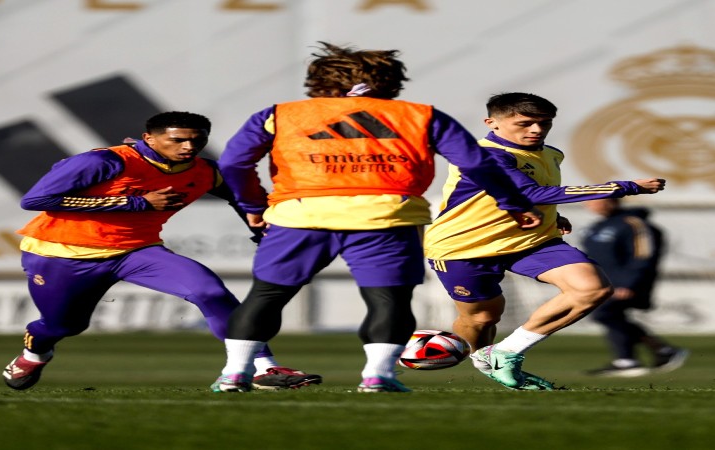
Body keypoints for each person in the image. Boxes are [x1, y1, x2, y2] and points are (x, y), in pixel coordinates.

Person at [211, 42, 543, 393]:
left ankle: (235, 373)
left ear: (319, 80)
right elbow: (475, 162)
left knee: (267, 296)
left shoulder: (280, 114)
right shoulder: (422, 116)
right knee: (388, 300)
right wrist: (513, 203)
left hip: (300, 215)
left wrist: (252, 205)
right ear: (392, 81)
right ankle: (378, 376)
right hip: (385, 217)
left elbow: (233, 163)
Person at [2, 111, 321, 391]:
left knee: (209, 291)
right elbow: (36, 200)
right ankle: (34, 354)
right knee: (64, 326)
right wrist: (136, 202)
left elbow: (242, 197)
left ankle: (263, 368)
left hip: (137, 253)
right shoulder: (104, 161)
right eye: (178, 140)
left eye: (197, 140)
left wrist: (262, 230)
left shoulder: (207, 171)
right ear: (149, 139)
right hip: (62, 254)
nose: (189, 147)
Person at [424, 92, 666, 390]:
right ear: (492, 123)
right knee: (482, 318)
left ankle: (506, 352)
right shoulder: (485, 155)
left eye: (545, 123)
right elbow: (529, 192)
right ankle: (483, 362)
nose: (537, 130)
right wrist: (623, 187)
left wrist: (554, 215)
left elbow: (530, 192)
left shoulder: (551, 153)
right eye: (525, 123)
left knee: (592, 289)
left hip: (531, 240)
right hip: (464, 246)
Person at [581, 198, 688, 376]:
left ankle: (653, 352)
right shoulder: (597, 226)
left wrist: (628, 283)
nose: (589, 205)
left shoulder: (634, 224)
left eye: (595, 200)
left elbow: (643, 256)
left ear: (612, 201)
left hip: (626, 283)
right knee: (613, 316)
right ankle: (634, 358)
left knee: (605, 314)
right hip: (603, 283)